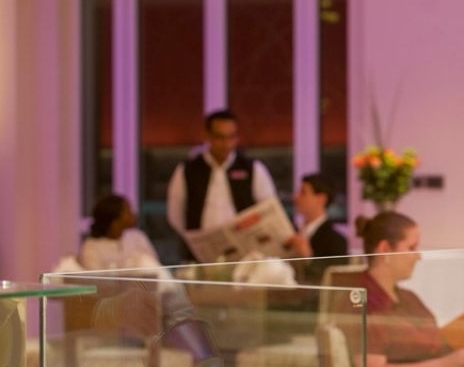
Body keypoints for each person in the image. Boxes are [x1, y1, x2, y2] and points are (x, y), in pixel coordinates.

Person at [332, 211, 464, 367]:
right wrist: (445, 365)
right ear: (385, 249)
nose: (418, 256)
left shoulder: (408, 298)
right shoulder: (361, 302)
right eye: (411, 247)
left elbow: (437, 345)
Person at [166, 109, 278, 261]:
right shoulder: (187, 170)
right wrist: (194, 238)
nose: (226, 144)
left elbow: (268, 210)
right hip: (201, 255)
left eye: (231, 137)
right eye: (220, 137)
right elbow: (175, 214)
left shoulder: (253, 169)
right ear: (207, 136)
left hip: (244, 254)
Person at [284, 172, 349, 283]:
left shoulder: (336, 241)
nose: (296, 197)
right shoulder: (292, 231)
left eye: (303, 193)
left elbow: (334, 281)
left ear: (321, 199)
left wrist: (308, 256)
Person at [78, 194, 162, 271]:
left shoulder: (137, 237)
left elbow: (154, 267)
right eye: (127, 211)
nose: (133, 214)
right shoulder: (91, 246)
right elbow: (94, 277)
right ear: (114, 219)